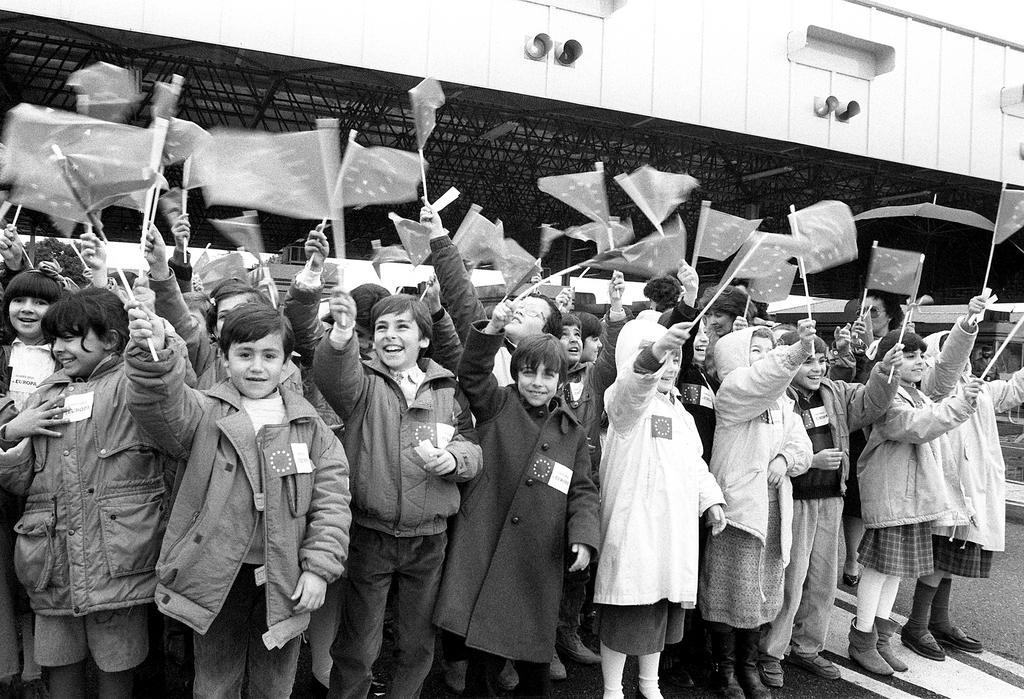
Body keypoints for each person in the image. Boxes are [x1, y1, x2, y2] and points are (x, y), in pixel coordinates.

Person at [124, 302, 351, 698]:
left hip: (286, 578)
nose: (257, 366)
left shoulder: (311, 428)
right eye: (244, 354)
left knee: (275, 684)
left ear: (287, 364)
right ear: (225, 359)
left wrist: (318, 568)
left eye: (269, 355)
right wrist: (153, 353)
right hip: (214, 575)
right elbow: (156, 403)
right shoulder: (200, 411)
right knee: (214, 682)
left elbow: (331, 504)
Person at [0, 288, 174, 699]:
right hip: (51, 563)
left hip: (117, 562)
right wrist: (11, 433)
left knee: (118, 666)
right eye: (54, 338)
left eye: (70, 337)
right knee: (59, 664)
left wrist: (157, 335)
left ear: (112, 340)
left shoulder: (132, 384)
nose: (58, 348)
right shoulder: (44, 394)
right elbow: (22, 481)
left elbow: (165, 383)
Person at [312, 291, 481, 699]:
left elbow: (471, 444)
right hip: (371, 536)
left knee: (418, 643)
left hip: (429, 540)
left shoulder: (447, 388)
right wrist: (343, 332)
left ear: (424, 339)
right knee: (358, 645)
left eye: (403, 326)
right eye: (383, 327)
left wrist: (455, 460)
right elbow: (331, 373)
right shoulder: (362, 383)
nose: (390, 335)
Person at [434, 301, 599, 698]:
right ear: (516, 373)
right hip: (487, 548)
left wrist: (584, 536)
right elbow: (472, 372)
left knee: (534, 667)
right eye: (528, 372)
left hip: (537, 559)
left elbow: (583, 490)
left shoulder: (572, 434)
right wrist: (491, 328)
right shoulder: (498, 405)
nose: (537, 382)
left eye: (547, 374)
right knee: (484, 665)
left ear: (561, 380)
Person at [757, 329, 900, 688]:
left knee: (822, 582)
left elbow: (874, 403)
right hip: (793, 501)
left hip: (830, 499)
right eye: (807, 360)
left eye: (822, 360)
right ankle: (770, 651)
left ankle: (807, 648)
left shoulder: (836, 392)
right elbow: (766, 453)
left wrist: (883, 370)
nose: (817, 367)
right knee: (791, 581)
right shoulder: (774, 395)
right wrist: (810, 461)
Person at [595, 315, 725, 699]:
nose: (669, 365)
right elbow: (636, 382)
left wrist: (711, 500)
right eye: (661, 356)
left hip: (672, 534)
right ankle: (612, 689)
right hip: (636, 530)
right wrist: (654, 354)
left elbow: (696, 464)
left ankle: (649, 685)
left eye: (675, 357)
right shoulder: (623, 403)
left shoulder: (680, 414)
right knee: (625, 612)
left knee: (659, 611)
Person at [847, 328, 982, 676]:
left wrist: (967, 326)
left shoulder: (917, 393)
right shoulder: (885, 400)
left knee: (897, 572)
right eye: (909, 355)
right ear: (889, 360)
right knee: (879, 570)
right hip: (893, 496)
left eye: (920, 355)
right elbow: (918, 426)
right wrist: (961, 403)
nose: (919, 361)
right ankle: (862, 638)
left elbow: (949, 367)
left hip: (913, 498)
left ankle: (879, 638)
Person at [700, 322, 815, 699]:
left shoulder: (783, 403)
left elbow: (803, 448)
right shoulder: (733, 392)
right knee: (726, 591)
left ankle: (748, 667)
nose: (765, 356)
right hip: (736, 512)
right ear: (733, 357)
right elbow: (761, 380)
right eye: (755, 349)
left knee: (758, 592)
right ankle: (724, 670)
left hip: (771, 509)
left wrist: (785, 457)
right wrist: (796, 351)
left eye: (769, 348)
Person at [902, 298, 1007, 660]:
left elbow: (1015, 391)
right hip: (947, 486)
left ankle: (939, 621)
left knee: (953, 558)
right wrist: (968, 323)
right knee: (940, 558)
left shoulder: (979, 386)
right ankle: (916, 626)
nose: (966, 360)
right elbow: (948, 365)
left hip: (973, 488)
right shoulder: (935, 385)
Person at [831, 290, 904, 588]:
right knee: (854, 498)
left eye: (874, 312)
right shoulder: (853, 347)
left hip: (885, 431)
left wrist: (873, 347)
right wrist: (847, 351)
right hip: (855, 432)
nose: (865, 317)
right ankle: (852, 557)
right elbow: (844, 390)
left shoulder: (897, 344)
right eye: (863, 310)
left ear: (890, 316)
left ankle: (879, 562)